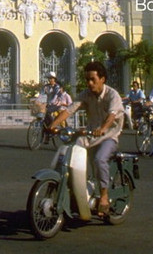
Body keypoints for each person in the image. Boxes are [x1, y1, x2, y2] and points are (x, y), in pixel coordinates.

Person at [49, 61, 124, 218]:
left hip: (109, 136)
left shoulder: (112, 95)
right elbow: (69, 110)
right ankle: (78, 192)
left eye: (93, 79)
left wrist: (103, 129)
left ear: (102, 79)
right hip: (90, 136)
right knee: (72, 157)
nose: (89, 83)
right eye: (87, 80)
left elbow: (111, 117)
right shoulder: (86, 94)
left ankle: (104, 196)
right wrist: (53, 124)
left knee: (99, 160)